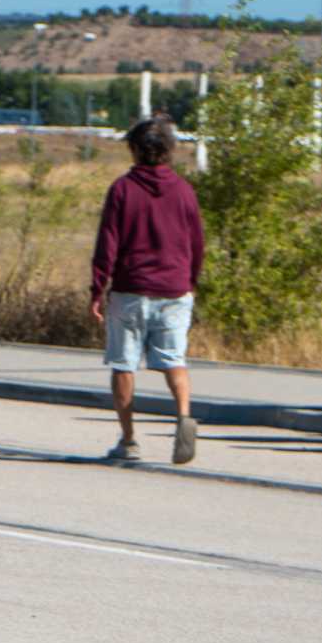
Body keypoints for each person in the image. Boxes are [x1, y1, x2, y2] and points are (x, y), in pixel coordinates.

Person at [91, 116, 205, 464]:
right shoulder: (184, 190)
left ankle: (128, 441)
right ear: (169, 151)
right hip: (175, 290)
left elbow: (107, 244)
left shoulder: (123, 190)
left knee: (124, 365)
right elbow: (197, 243)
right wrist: (191, 282)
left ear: (136, 150)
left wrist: (97, 289)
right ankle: (183, 414)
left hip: (131, 290)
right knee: (174, 360)